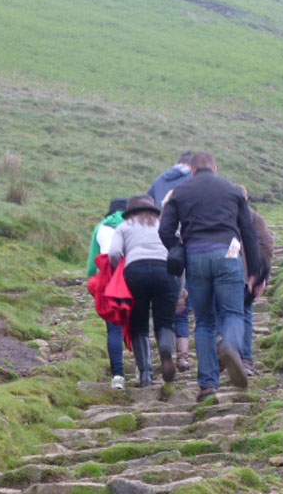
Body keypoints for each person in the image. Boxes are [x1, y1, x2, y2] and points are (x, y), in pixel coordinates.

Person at [159, 151, 262, 401]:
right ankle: (230, 345)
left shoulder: (180, 192)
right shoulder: (232, 190)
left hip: (196, 256)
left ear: (192, 170)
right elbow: (248, 231)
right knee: (234, 313)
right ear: (214, 168)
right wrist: (256, 271)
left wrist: (177, 246)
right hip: (228, 253)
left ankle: (208, 386)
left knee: (204, 322)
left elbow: (164, 229)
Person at [109, 195, 179, 387]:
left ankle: (146, 374)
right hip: (165, 271)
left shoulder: (124, 227)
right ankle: (165, 349)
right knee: (164, 322)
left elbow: (114, 253)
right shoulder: (163, 224)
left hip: (135, 272)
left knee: (138, 324)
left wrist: (118, 268)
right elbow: (178, 249)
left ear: (130, 211)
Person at [148, 152, 194, 372]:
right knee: (183, 308)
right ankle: (184, 356)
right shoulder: (194, 181)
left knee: (163, 309)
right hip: (186, 242)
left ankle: (163, 350)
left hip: (156, 247)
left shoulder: (160, 180)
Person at [87, 197, 129, 390]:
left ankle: (118, 375)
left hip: (108, 277)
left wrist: (92, 285)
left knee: (114, 328)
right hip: (131, 273)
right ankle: (146, 371)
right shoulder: (134, 223)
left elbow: (91, 266)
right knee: (138, 323)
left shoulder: (101, 227)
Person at [237, 185, 274, 376]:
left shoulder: (216, 216)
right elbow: (266, 246)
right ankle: (245, 359)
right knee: (245, 314)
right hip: (246, 275)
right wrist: (261, 276)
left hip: (220, 274)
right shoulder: (254, 218)